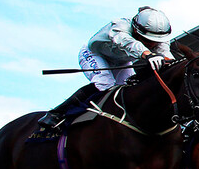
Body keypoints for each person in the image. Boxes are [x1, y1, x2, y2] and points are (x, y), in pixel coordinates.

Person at [38, 7, 173, 129]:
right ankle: (56, 113)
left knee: (129, 88)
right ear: (136, 30)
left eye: (155, 41)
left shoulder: (160, 39)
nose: (151, 44)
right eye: (147, 39)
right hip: (95, 54)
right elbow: (126, 42)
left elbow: (167, 56)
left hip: (121, 62)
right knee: (105, 83)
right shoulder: (120, 26)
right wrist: (148, 54)